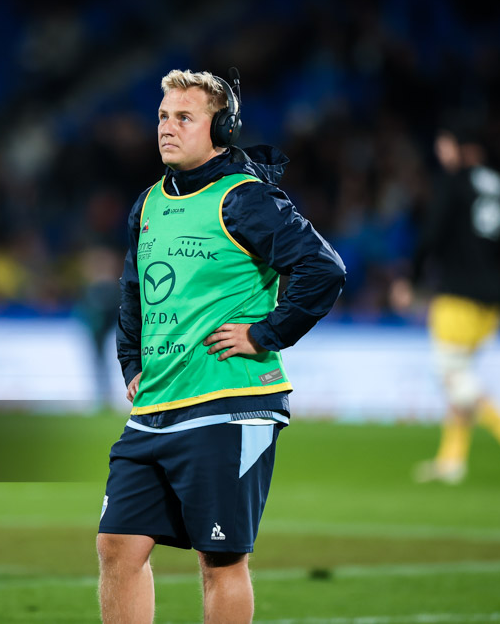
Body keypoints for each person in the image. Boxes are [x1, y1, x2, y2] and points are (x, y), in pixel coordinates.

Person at [96, 69, 345, 624]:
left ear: (221, 128)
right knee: (117, 546)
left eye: (184, 117)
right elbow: (133, 288)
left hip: (231, 403)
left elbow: (322, 269)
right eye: (163, 115)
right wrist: (131, 361)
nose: (167, 127)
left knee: (220, 560)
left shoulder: (245, 198)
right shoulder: (148, 203)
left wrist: (264, 334)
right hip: (155, 408)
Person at [390, 118, 500, 485]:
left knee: (452, 375)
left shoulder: (454, 183)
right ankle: (451, 461)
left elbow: (432, 234)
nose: (440, 153)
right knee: (460, 377)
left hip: (457, 294)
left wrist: (411, 279)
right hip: (492, 300)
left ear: (458, 147)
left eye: (444, 144)